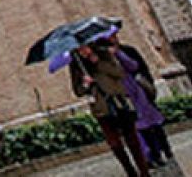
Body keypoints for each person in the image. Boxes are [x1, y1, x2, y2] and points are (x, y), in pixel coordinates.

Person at [69, 41, 151, 177]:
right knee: (115, 144)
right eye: (79, 49)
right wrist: (85, 84)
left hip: (118, 102)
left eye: (84, 47)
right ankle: (130, 171)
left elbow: (119, 73)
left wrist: (98, 63)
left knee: (132, 140)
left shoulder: (104, 54)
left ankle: (144, 172)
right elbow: (78, 91)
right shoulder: (76, 65)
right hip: (101, 108)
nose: (83, 51)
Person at [106, 32, 171, 166]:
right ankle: (147, 157)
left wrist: (118, 54)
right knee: (137, 129)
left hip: (137, 92)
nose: (113, 39)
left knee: (151, 125)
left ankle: (160, 152)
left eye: (113, 36)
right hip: (123, 96)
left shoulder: (126, 51)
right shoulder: (103, 60)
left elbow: (135, 66)